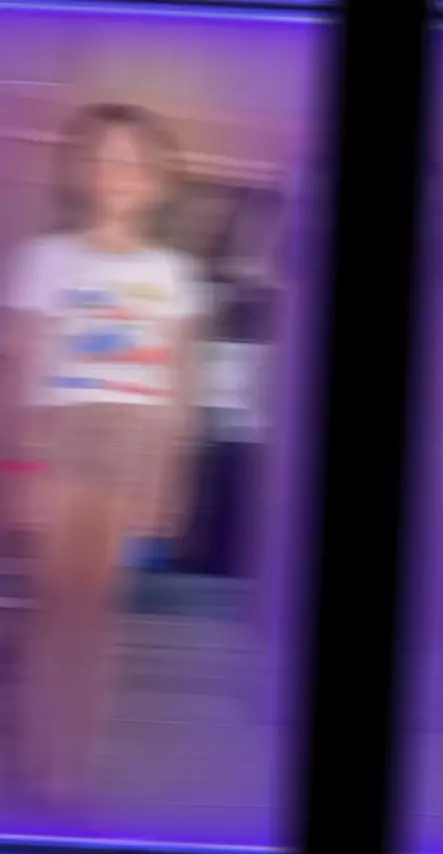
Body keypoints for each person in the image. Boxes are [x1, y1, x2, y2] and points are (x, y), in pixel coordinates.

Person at [1, 103, 207, 813]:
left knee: (98, 612)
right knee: (52, 606)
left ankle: (72, 765)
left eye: (134, 161)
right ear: (82, 171)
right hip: (60, 432)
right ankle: (36, 753)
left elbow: (179, 386)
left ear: (157, 180)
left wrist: (169, 478)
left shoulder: (173, 274)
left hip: (133, 439)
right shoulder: (46, 259)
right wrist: (20, 472)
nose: (118, 172)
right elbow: (20, 373)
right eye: (105, 157)